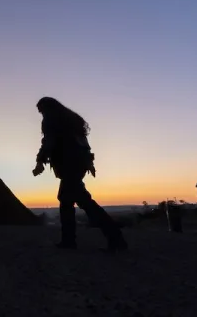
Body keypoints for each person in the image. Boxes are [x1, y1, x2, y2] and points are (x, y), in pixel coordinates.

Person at [32, 96, 128, 252]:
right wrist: (89, 164)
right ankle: (69, 240)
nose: (41, 114)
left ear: (47, 108)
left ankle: (115, 238)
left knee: (84, 202)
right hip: (78, 166)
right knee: (66, 201)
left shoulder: (52, 119)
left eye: (41, 110)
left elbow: (48, 142)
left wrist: (39, 162)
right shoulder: (72, 120)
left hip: (68, 165)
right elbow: (84, 145)